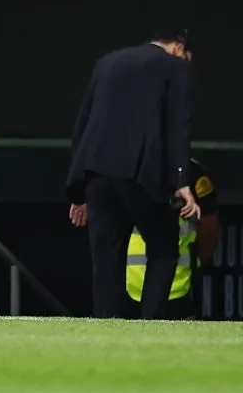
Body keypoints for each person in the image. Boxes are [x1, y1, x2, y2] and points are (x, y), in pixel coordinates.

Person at [67, 27, 201, 320]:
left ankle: (106, 328)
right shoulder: (175, 66)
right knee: (164, 249)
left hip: (97, 174)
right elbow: (178, 126)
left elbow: (82, 126)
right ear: (179, 47)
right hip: (141, 174)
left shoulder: (108, 62)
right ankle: (148, 325)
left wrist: (79, 188)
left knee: (106, 259)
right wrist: (181, 181)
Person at [74, 157, 220, 320]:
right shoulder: (120, 168)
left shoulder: (192, 173)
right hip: (127, 286)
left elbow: (209, 232)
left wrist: (195, 264)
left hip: (175, 288)